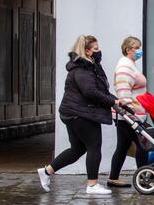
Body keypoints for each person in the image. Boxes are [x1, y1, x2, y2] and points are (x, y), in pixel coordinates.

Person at [37, 35, 120, 195]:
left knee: (77, 149)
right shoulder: (83, 69)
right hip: (81, 114)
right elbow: (90, 93)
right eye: (96, 49)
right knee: (94, 147)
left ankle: (46, 171)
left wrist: (116, 101)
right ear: (87, 51)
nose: (99, 51)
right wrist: (113, 103)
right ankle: (92, 185)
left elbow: (101, 91)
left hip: (73, 112)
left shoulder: (90, 67)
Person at [109, 37, 148, 188]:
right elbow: (123, 93)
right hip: (128, 116)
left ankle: (113, 178)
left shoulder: (130, 65)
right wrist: (132, 114)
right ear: (128, 50)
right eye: (137, 48)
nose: (140, 51)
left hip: (128, 116)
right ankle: (144, 180)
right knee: (143, 144)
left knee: (122, 146)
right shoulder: (125, 67)